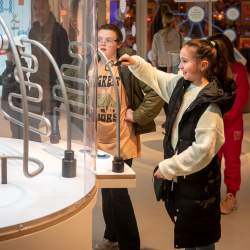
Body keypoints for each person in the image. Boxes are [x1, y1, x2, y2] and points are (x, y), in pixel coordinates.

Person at [119, 39, 235, 249]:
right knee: (190, 234)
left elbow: (202, 151)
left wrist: (168, 167)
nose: (180, 66)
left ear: (203, 65)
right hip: (185, 183)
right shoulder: (182, 85)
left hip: (200, 186)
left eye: (184, 61)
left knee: (200, 240)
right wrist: (136, 63)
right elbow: (157, 77)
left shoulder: (210, 107)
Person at [95, 24, 164, 250]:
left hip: (121, 140)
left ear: (118, 44)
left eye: (108, 40)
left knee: (118, 193)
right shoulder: (92, 65)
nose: (103, 43)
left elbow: (156, 93)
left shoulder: (127, 66)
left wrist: (139, 115)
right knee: (106, 190)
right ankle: (112, 235)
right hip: (99, 140)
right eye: (100, 39)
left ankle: (130, 244)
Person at [208, 34, 249, 214]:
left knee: (232, 160)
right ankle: (212, 193)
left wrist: (223, 117)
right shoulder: (210, 69)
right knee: (212, 159)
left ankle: (231, 195)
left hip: (231, 125)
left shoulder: (238, 69)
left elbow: (240, 100)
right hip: (212, 123)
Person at [28, 0, 71, 143]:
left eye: (41, 8)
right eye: (35, 8)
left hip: (51, 83)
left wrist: (59, 83)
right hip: (35, 81)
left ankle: (54, 154)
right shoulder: (33, 30)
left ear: (48, 8)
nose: (38, 12)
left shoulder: (59, 31)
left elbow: (65, 61)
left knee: (53, 124)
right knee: (31, 121)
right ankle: (35, 150)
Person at [0, 47, 27, 139]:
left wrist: (9, 65)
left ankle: (19, 145)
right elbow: (2, 79)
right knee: (14, 128)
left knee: (18, 129)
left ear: (13, 54)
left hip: (16, 104)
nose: (7, 55)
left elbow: (8, 82)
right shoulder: (11, 67)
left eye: (8, 53)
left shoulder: (19, 67)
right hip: (10, 104)